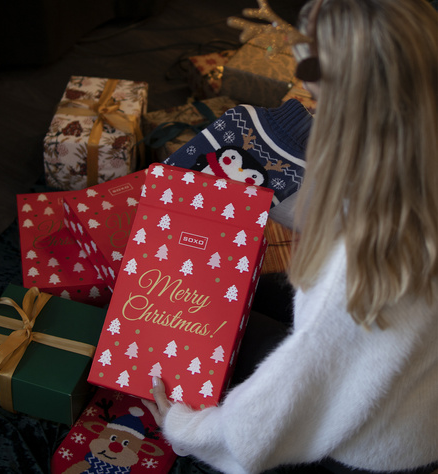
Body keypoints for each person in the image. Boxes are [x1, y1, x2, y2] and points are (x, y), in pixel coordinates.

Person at [141, 0, 438, 472]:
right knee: (244, 298)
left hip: (376, 448)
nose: (303, 85)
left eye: (314, 74)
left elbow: (275, 413)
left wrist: (185, 427)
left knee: (199, 325)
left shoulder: (361, 264)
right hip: (419, 404)